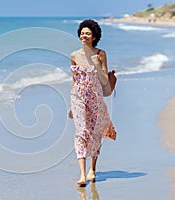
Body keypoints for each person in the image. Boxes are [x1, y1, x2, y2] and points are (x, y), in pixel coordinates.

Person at [68, 19, 116, 185]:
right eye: (82, 32)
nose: (84, 35)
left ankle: (92, 170)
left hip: (95, 98)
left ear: (94, 36)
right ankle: (82, 174)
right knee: (81, 132)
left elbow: (104, 81)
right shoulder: (74, 55)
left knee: (95, 132)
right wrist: (70, 104)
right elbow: (74, 80)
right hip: (78, 98)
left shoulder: (100, 54)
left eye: (87, 33)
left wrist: (97, 64)